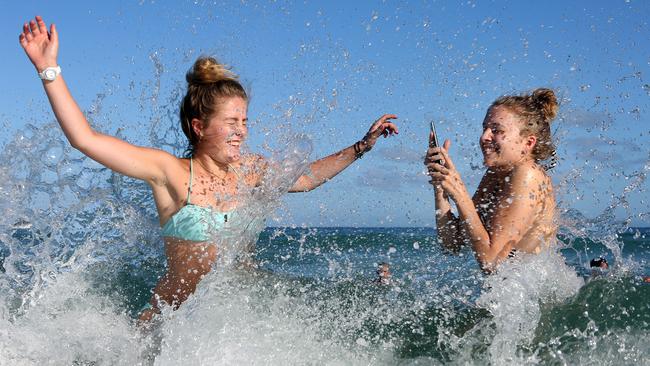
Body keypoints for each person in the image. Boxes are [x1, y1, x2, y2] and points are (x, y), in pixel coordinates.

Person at [19, 16, 399, 321]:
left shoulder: (249, 171)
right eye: (231, 123)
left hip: (229, 324)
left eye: (245, 122)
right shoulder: (170, 173)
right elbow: (85, 139)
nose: (241, 132)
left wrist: (360, 147)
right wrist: (49, 69)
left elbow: (304, 179)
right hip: (169, 330)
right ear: (199, 126)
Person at [425, 88, 558, 273]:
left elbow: (492, 262)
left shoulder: (528, 175)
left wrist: (460, 192)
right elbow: (452, 244)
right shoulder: (496, 173)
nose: (484, 137)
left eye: (496, 130)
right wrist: (441, 187)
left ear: (528, 143)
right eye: (485, 128)